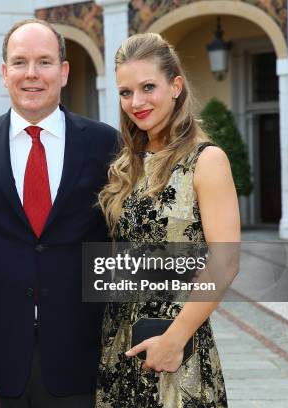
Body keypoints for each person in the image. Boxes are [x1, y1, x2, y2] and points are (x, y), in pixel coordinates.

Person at [0, 19, 118, 407]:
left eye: (44, 62)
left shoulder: (107, 144)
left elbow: (124, 240)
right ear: (4, 73)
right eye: (20, 62)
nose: (32, 74)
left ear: (64, 71)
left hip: (82, 351)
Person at [96, 33, 239, 407]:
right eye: (126, 92)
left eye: (148, 87)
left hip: (176, 347)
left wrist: (174, 341)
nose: (136, 102)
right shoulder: (127, 165)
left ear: (176, 86)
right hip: (119, 343)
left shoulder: (206, 161)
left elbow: (225, 262)